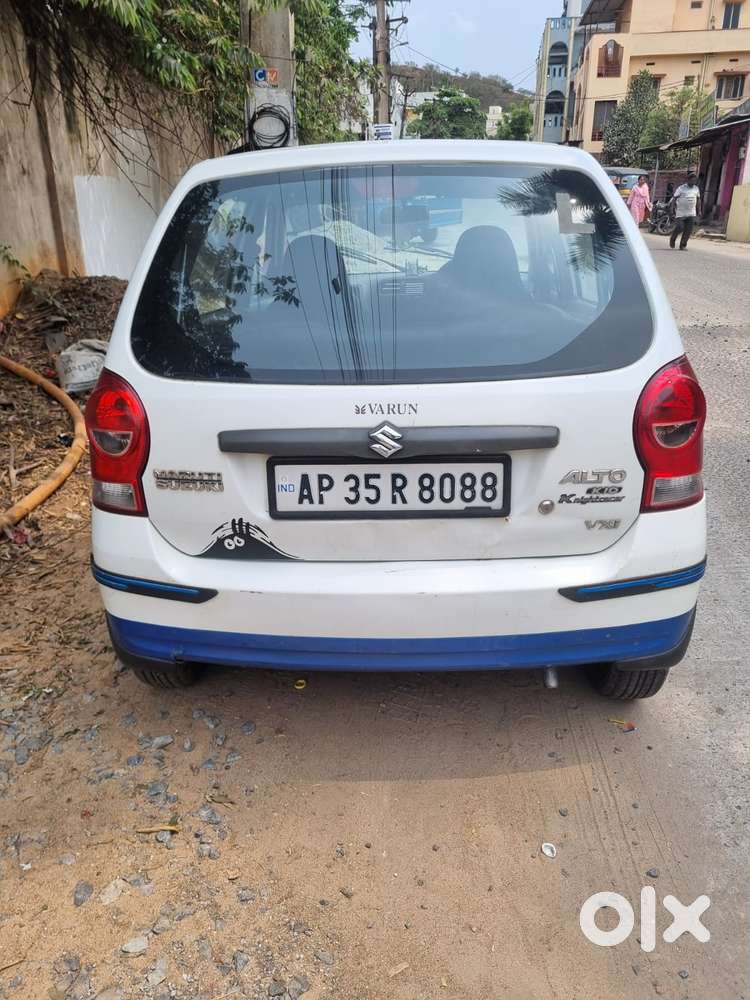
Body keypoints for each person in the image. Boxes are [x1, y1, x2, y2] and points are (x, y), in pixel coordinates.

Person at [669, 171, 702, 250]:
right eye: (692, 180)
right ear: (688, 180)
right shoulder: (681, 188)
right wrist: (672, 209)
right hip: (681, 212)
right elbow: (674, 198)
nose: (693, 182)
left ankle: (683, 245)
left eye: (695, 181)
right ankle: (673, 238)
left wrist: (699, 210)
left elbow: (698, 200)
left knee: (688, 230)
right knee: (680, 227)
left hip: (691, 212)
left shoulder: (696, 189)